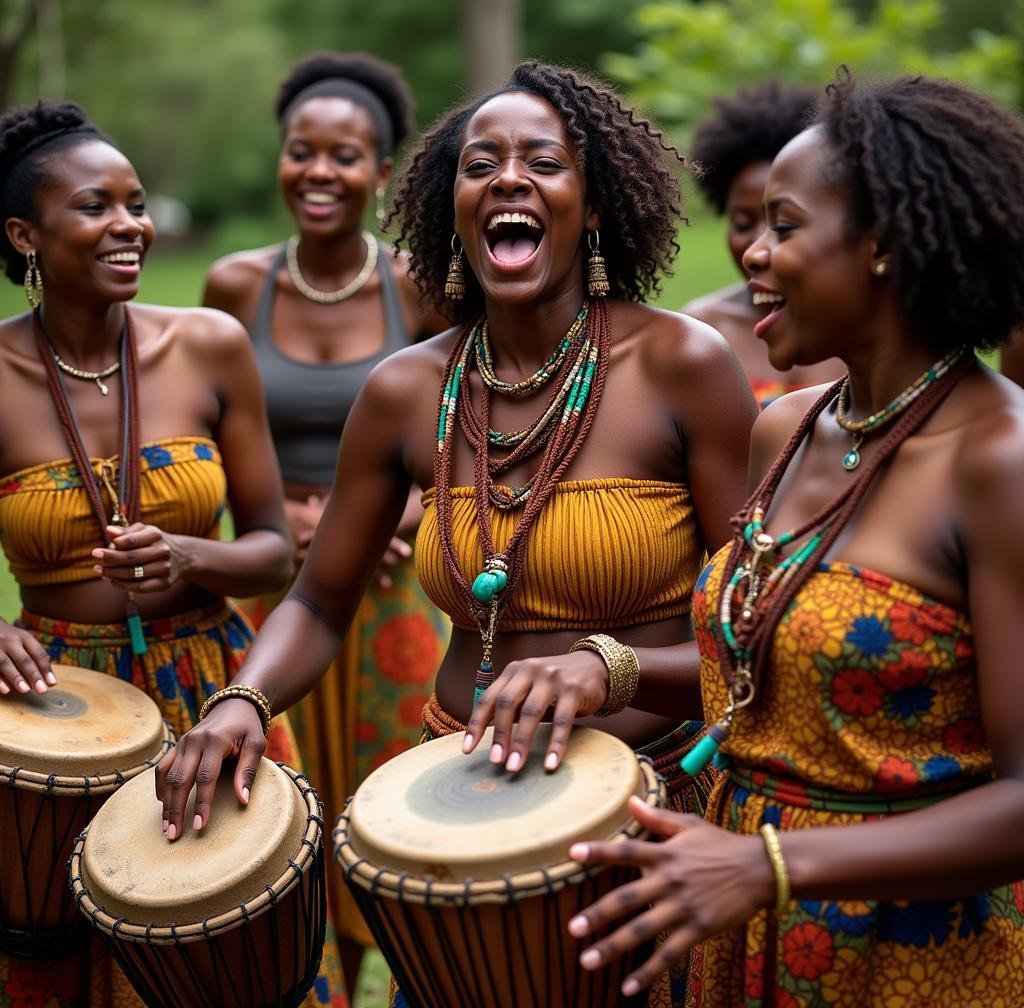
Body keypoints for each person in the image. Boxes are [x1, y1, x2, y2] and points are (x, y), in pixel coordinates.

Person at [157, 60, 756, 1008]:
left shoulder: (682, 366)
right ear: (450, 206)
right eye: (482, 164)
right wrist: (242, 701)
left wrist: (616, 667)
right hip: (458, 796)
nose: (509, 179)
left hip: (647, 805)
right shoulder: (406, 391)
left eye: (542, 163)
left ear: (591, 205)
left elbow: (754, 627)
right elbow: (317, 598)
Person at [561, 70, 1024, 1007]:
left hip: (911, 952)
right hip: (743, 927)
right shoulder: (788, 429)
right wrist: (605, 669)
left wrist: (774, 866)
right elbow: (784, 676)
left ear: (885, 243)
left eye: (784, 225)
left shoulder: (999, 463)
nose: (752, 256)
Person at [0, 101, 346, 1007]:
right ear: (23, 234)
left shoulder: (206, 346)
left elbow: (275, 554)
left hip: (216, 686)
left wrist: (192, 555)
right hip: (62, 709)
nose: (130, 226)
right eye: (95, 207)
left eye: (137, 203)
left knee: (236, 961)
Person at [201, 50, 448, 989]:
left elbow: (457, 417)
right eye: (301, 151)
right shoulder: (234, 285)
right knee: (281, 810)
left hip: (389, 592)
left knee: (391, 806)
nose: (319, 173)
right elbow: (210, 424)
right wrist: (272, 520)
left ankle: (400, 971)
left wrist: (412, 504)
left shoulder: (417, 284)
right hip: (277, 592)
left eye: (345, 157)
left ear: (383, 173)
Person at [683, 80, 844, 408]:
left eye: (783, 224)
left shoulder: (862, 330)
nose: (756, 245)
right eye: (742, 223)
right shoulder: (700, 331)